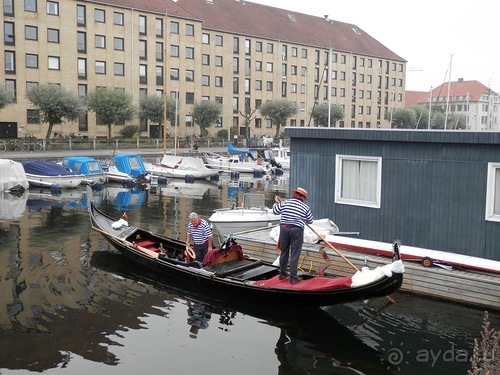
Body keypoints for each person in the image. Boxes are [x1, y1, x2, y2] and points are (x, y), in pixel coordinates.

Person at [272, 187, 313, 284]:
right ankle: (293, 278)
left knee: (284, 251)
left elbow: (275, 211)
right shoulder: (305, 207)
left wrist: (277, 203)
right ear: (303, 197)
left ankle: (282, 274)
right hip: (296, 230)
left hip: (284, 229)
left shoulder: (285, 203)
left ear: (295, 194)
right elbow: (310, 220)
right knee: (295, 254)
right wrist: (302, 218)